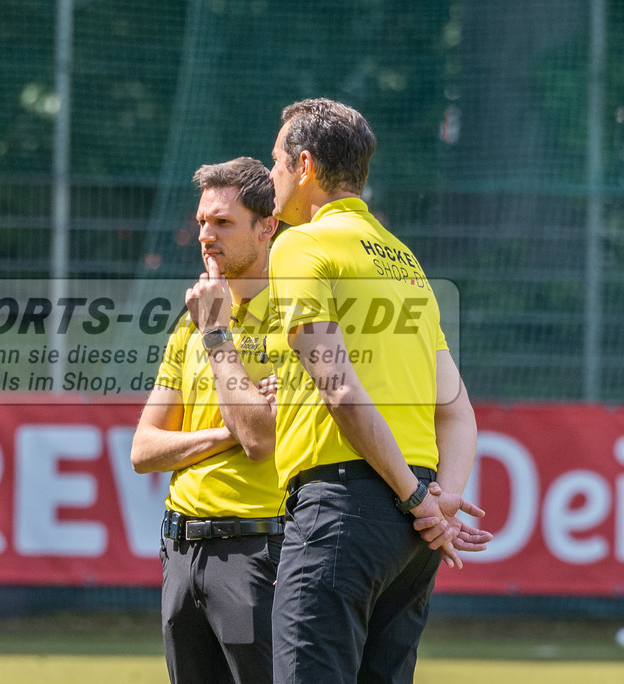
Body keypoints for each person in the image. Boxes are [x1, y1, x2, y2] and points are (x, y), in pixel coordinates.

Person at [266, 98, 490, 683]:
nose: (271, 177)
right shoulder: (405, 261)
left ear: (306, 164)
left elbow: (338, 390)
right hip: (410, 538)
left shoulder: (300, 246)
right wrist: (439, 501)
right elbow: (460, 412)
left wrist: (420, 499)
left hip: (344, 509)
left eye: (276, 162)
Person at [131, 157, 283, 684]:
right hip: (179, 552)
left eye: (223, 223)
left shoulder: (295, 318)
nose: (205, 235)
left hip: (259, 552)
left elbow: (260, 440)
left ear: (268, 227)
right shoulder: (190, 323)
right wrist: (227, 432)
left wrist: (216, 332)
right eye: (201, 222)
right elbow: (143, 451)